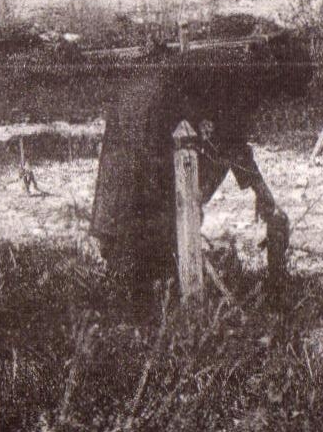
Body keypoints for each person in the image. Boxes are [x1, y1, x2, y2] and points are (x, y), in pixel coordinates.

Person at [89, 30, 309, 295]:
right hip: (152, 109)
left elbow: (225, 139)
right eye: (282, 93)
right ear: (278, 78)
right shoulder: (248, 77)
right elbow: (232, 142)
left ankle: (139, 277)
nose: (277, 101)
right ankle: (146, 284)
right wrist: (263, 194)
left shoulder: (241, 65)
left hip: (134, 101)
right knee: (151, 193)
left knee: (136, 193)